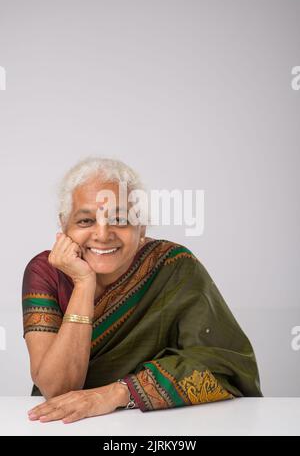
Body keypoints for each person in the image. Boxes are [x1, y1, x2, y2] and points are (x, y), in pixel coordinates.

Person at [22, 156, 262, 424]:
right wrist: (83, 283)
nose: (102, 234)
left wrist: (117, 393)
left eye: (120, 220)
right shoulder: (46, 271)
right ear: (64, 225)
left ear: (142, 227)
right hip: (60, 426)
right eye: (86, 221)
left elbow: (224, 364)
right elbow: (57, 389)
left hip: (162, 425)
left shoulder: (174, 267)